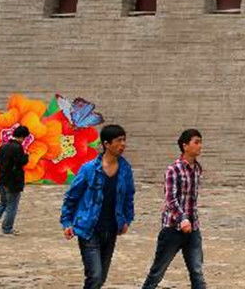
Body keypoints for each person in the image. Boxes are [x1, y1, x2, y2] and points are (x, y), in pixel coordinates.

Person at [61, 124, 135, 289]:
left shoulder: (125, 169)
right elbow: (72, 196)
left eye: (124, 140)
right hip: (89, 228)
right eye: (118, 140)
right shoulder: (89, 169)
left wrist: (127, 219)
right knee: (94, 275)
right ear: (107, 144)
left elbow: (129, 196)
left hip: (111, 229)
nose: (123, 144)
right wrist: (67, 222)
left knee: (100, 278)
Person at [142, 129, 206, 289]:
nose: (200, 146)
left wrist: (190, 221)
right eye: (196, 142)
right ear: (185, 146)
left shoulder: (198, 169)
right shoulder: (174, 169)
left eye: (200, 142)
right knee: (157, 272)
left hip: (193, 228)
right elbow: (170, 198)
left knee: (197, 271)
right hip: (173, 229)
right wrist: (182, 218)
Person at [0, 125, 30, 235]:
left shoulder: (3, 146)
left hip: (2, 179)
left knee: (3, 203)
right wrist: (26, 156)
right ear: (22, 137)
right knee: (12, 206)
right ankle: (7, 228)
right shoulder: (18, 148)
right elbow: (21, 162)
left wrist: (5, 168)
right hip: (13, 182)